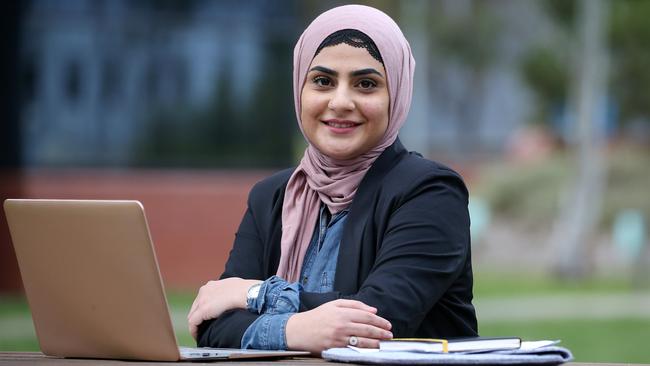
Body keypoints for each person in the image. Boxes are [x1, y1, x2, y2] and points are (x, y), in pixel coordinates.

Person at [187, 4, 478, 353]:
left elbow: (380, 319)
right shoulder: (270, 197)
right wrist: (299, 330)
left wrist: (255, 294)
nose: (340, 102)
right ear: (300, 88)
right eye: (323, 81)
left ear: (396, 94)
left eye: (366, 84)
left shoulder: (430, 193)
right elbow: (212, 324)